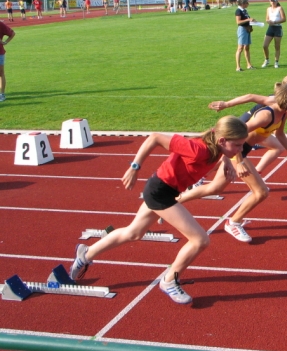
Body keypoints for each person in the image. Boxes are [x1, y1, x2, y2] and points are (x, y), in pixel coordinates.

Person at [67, 116, 249, 305]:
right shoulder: (198, 150)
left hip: (166, 191)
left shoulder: (217, 147)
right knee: (200, 240)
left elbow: (225, 151)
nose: (240, 150)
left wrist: (226, 161)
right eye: (237, 145)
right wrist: (134, 168)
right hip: (159, 192)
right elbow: (154, 137)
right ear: (222, 140)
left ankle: (85, 254)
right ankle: (169, 280)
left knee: (133, 233)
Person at [184, 82, 287, 243]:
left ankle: (171, 201)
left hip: (241, 150)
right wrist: (239, 161)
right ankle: (233, 222)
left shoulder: (283, 113)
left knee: (215, 188)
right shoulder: (266, 116)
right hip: (237, 150)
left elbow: (281, 135)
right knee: (261, 192)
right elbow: (234, 136)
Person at [209, 75, 287, 174]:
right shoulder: (274, 103)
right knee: (226, 156)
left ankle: (255, 171)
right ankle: (202, 173)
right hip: (252, 123)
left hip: (263, 129)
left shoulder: (286, 109)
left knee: (277, 147)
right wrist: (226, 104)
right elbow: (250, 96)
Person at [261, 0, 286, 68]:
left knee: (277, 46)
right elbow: (267, 18)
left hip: (277, 28)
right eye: (271, 1)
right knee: (265, 45)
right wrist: (268, 21)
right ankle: (267, 59)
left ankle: (276, 62)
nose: (272, 2)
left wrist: (275, 22)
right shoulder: (268, 9)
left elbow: (284, 19)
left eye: (274, 1)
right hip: (271, 28)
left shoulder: (280, 8)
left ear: (277, 1)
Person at [235, 0, 256, 72]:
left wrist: (251, 23)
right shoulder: (238, 11)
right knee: (240, 48)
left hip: (247, 29)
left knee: (247, 47)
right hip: (242, 30)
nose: (248, 4)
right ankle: (238, 66)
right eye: (247, 2)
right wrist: (248, 20)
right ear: (243, 4)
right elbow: (238, 22)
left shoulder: (244, 11)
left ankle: (249, 65)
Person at [0, 20, 16, 102]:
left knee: (0, 73)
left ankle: (2, 94)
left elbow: (12, 33)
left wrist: (5, 42)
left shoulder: (0, 24)